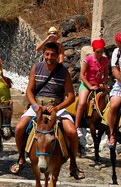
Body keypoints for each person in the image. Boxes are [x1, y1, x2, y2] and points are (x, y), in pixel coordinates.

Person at [10, 42, 85, 179]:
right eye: (47, 54)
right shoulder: (36, 68)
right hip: (37, 106)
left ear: (57, 56)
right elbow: (29, 91)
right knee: (20, 127)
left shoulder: (63, 72)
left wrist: (57, 107)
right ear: (43, 54)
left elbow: (71, 96)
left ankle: (73, 164)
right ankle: (21, 158)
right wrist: (34, 105)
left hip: (56, 107)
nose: (49, 57)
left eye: (53, 55)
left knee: (72, 132)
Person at [75, 38, 110, 143]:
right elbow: (82, 75)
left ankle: (109, 128)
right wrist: (90, 86)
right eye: (98, 52)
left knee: (109, 101)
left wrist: (103, 83)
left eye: (101, 51)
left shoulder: (105, 60)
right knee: (81, 103)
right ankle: (76, 126)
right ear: (94, 51)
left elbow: (106, 75)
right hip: (86, 85)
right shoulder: (88, 59)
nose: (100, 54)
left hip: (98, 85)